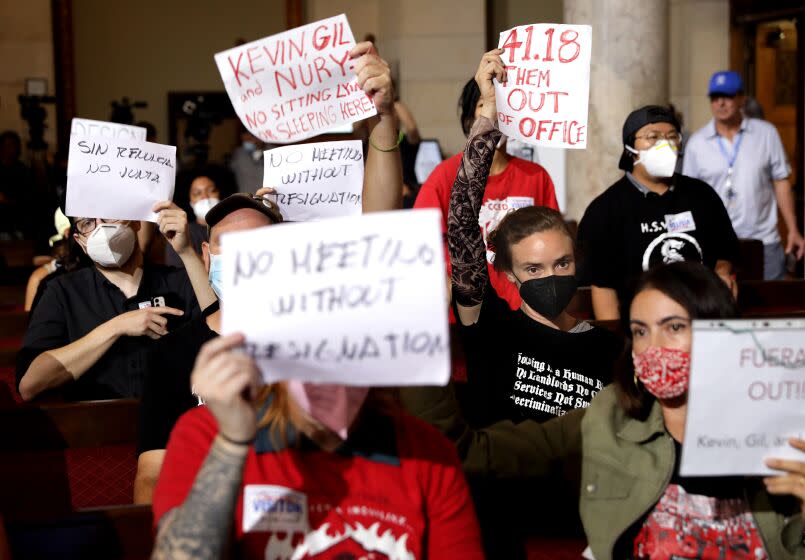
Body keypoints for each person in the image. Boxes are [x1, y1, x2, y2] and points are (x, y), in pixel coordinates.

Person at [149, 42, 484, 560]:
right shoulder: (204, 434)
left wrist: (382, 118)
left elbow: (380, 221)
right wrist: (234, 443)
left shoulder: (426, 456)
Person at [136, 38, 411, 505]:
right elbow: (150, 481)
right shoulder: (174, 355)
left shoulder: (315, 337)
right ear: (207, 259)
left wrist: (383, 121)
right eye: (230, 246)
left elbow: (380, 227)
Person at [402, 261, 805, 559]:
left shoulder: (779, 421)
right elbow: (469, 452)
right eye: (640, 332)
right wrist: (420, 333)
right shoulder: (608, 416)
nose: (653, 348)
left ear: (718, 331)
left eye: (675, 327)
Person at [446, 48, 621, 558]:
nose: (550, 278)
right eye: (534, 269)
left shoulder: (608, 350)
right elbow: (461, 222)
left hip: (584, 529)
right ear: (507, 272)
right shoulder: (491, 328)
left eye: (561, 265)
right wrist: (487, 114)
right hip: (505, 525)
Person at [15, 201, 215, 401]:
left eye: (110, 214)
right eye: (87, 222)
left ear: (136, 223)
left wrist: (186, 251)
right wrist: (115, 327)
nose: (101, 227)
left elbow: (222, 333)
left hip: (172, 425)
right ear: (80, 241)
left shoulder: (180, 282)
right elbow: (30, 385)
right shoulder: (61, 292)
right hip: (94, 427)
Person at [577, 105, 740, 320]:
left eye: (672, 137)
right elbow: (603, 287)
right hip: (640, 326)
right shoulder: (605, 210)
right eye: (652, 137)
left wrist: (722, 275)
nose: (664, 144)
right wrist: (617, 342)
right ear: (629, 148)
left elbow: (724, 254)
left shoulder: (703, 196)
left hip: (700, 319)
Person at [414, 71, 558, 312]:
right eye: (486, 105)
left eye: (504, 105)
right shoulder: (445, 176)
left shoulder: (536, 176)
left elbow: (553, 243)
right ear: (471, 118)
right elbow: (419, 243)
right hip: (465, 317)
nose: (497, 114)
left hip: (527, 314)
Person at [683, 70, 804, 280]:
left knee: (769, 308)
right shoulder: (697, 143)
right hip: (716, 245)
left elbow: (781, 181)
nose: (720, 103)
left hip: (763, 241)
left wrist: (793, 229)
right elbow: (688, 197)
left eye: (727, 96)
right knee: (721, 309)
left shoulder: (766, 134)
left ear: (741, 99)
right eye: (715, 97)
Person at [164, 173, 220, 267]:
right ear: (191, 202)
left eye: (211, 190)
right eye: (197, 193)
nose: (205, 197)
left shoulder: (237, 226)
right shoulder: (183, 233)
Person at [229, 128, 266, 194]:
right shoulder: (238, 153)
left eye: (250, 138)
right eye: (245, 140)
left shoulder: (273, 152)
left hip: (265, 197)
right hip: (244, 196)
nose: (247, 141)